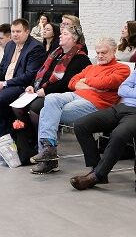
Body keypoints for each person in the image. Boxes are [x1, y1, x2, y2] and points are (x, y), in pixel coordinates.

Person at [30, 37, 130, 174]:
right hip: (76, 96)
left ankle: (49, 157)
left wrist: (85, 81)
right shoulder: (91, 67)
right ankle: (49, 150)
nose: (100, 56)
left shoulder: (122, 68)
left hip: (96, 104)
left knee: (46, 112)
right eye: (98, 52)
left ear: (114, 50)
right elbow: (72, 82)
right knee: (51, 98)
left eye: (104, 52)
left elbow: (107, 82)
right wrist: (93, 85)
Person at [11, 26, 91, 162]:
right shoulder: (56, 53)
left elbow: (67, 82)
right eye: (61, 33)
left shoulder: (80, 58)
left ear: (74, 38)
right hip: (42, 90)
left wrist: (46, 91)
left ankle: (44, 146)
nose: (60, 35)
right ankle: (30, 140)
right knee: (17, 105)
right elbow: (41, 73)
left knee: (36, 107)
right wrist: (32, 85)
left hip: (61, 94)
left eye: (64, 34)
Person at [0, 18, 46, 139]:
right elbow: (2, 68)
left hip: (22, 86)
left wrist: (4, 84)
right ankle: (4, 133)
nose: (15, 34)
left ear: (27, 32)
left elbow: (29, 75)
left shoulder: (35, 47)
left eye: (18, 31)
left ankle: (12, 131)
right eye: (13, 31)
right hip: (5, 84)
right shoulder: (10, 45)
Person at [71, 68, 136, 190]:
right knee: (81, 125)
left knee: (118, 134)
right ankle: (97, 169)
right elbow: (122, 89)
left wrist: (130, 91)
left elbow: (126, 90)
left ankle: (97, 175)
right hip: (121, 107)